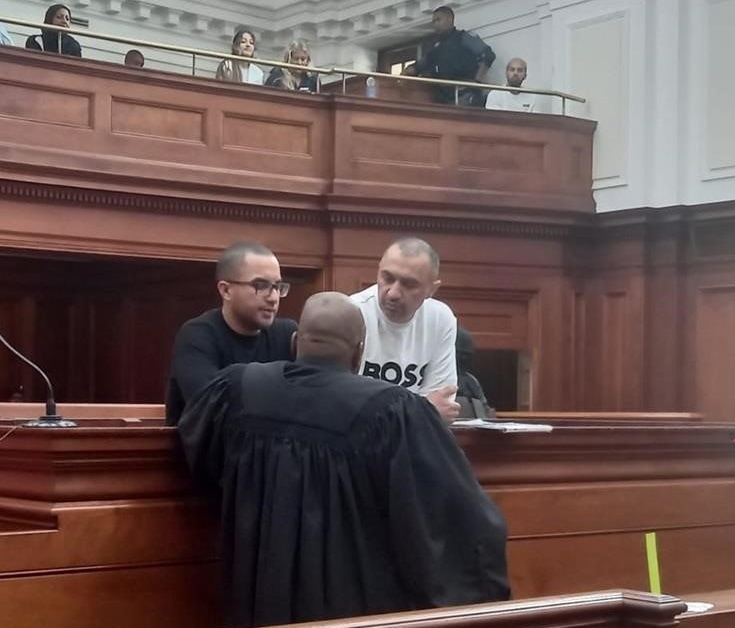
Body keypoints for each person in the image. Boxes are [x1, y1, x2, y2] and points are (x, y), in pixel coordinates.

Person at [179, 291, 511, 627]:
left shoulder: (237, 388)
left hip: (256, 593)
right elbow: (454, 519)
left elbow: (202, 458)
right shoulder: (392, 411)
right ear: (359, 352)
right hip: (350, 603)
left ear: (295, 342)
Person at [165, 242, 295, 425]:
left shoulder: (288, 334)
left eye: (278, 287)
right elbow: (210, 405)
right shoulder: (196, 336)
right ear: (226, 290)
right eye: (260, 285)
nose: (273, 297)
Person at [350, 238, 460, 422]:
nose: (393, 293)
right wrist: (421, 411)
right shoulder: (351, 312)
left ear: (431, 289)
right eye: (387, 278)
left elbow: (442, 403)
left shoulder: (441, 318)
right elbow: (345, 405)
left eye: (409, 285)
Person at [402, 6, 494, 105]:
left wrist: (477, 82)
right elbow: (420, 65)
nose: (436, 24)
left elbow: (488, 55)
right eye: (434, 21)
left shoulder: (464, 38)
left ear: (450, 19)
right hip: (443, 96)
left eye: (438, 20)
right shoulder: (436, 46)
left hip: (465, 94)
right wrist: (405, 74)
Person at [455, 326, 494, 420]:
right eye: (460, 355)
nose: (462, 359)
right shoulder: (436, 376)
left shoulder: (471, 380)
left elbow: (485, 409)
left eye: (465, 356)